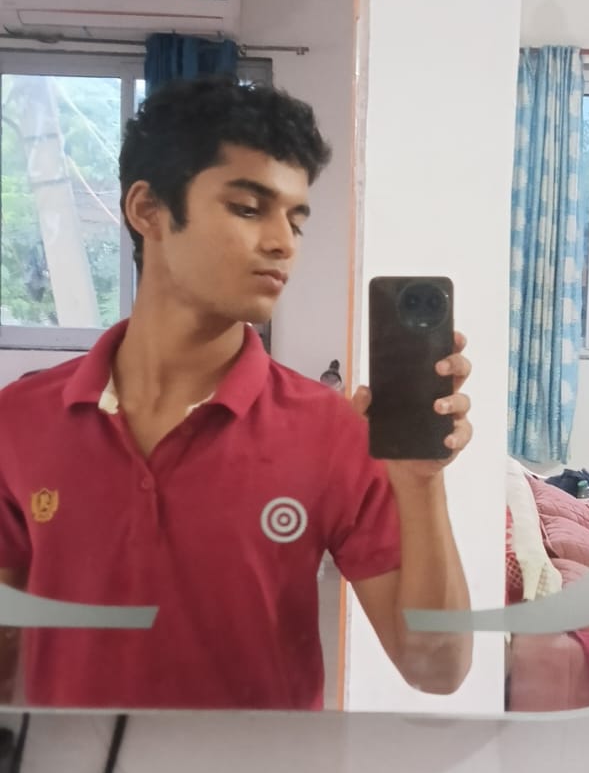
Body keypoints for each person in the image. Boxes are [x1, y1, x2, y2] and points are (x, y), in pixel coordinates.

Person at [0, 74, 473, 710]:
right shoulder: (19, 421)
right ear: (148, 210)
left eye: (296, 220)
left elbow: (436, 669)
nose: (282, 243)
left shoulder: (330, 430)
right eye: (249, 209)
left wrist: (420, 485)